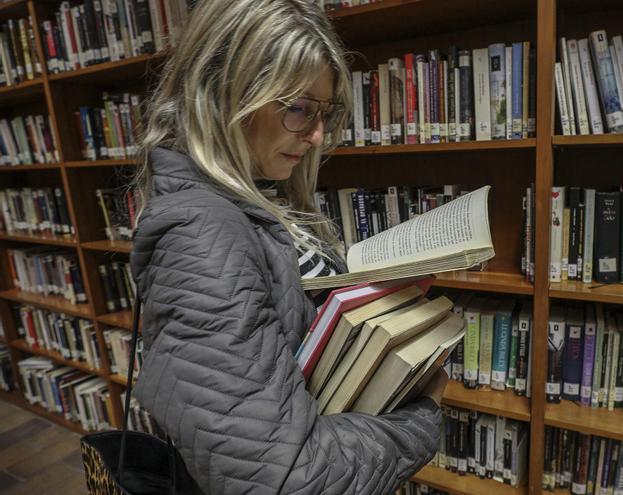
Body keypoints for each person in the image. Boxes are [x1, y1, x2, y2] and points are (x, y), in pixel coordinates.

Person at [130, 0, 448, 493]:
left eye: (325, 111)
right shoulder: (198, 235)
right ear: (222, 93)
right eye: (298, 108)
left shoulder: (260, 192)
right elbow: (282, 480)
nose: (317, 135)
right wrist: (421, 419)